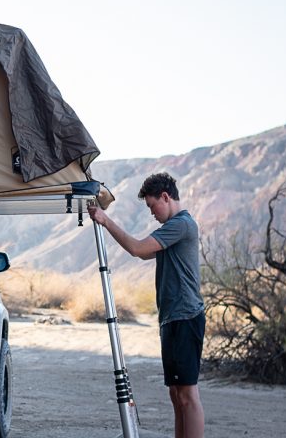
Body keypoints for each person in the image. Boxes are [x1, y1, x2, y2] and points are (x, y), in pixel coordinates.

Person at [88, 172, 205, 438]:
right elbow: (142, 254)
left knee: (187, 394)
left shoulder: (182, 224)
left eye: (153, 206)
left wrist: (106, 220)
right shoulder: (173, 231)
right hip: (172, 318)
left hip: (186, 317)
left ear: (166, 197)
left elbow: (138, 248)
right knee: (176, 395)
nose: (152, 213)